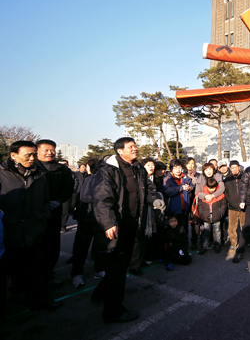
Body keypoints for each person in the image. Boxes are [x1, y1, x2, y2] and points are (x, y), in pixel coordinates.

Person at [91, 137, 162, 323]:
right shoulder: (107, 171)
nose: (136, 148)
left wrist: (154, 200)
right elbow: (101, 198)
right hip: (114, 227)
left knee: (119, 267)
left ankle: (99, 294)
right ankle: (113, 311)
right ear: (120, 151)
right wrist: (108, 223)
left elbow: (148, 189)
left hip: (132, 225)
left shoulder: (138, 169)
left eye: (135, 145)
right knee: (116, 269)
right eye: (131, 146)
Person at [0, 141, 61, 314]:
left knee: (36, 269)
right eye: (28, 155)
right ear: (14, 155)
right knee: (10, 270)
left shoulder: (39, 175)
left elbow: (44, 201)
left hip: (34, 230)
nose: (32, 158)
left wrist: (43, 221)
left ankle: (39, 300)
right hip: (9, 232)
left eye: (34, 154)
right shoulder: (2, 175)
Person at [35, 139, 74, 283]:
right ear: (37, 151)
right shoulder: (32, 167)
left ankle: (48, 273)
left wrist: (57, 201)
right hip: (34, 213)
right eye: (46, 150)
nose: (50, 153)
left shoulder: (62, 169)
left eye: (52, 150)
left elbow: (68, 187)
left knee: (52, 245)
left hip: (54, 211)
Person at [71, 158, 106, 288]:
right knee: (82, 247)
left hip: (101, 219)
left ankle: (99, 270)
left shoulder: (108, 179)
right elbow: (84, 197)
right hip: (87, 218)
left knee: (100, 247)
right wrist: (102, 198)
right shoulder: (90, 179)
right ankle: (76, 274)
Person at [197, 177, 226, 255]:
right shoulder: (203, 194)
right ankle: (204, 246)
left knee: (217, 232)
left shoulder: (220, 195)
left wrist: (221, 213)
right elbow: (200, 206)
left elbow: (223, 205)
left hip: (217, 216)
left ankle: (217, 245)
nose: (211, 190)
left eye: (213, 188)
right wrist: (202, 214)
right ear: (206, 187)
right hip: (206, 216)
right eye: (210, 188)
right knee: (205, 232)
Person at [224, 160, 245, 258]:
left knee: (244, 226)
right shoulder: (227, 180)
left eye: (236, 167)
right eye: (232, 168)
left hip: (244, 206)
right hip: (232, 207)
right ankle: (233, 244)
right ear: (230, 169)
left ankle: (245, 243)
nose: (234, 169)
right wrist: (229, 201)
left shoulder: (244, 178)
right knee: (232, 227)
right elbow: (226, 193)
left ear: (239, 167)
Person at [184, 157, 202, 250]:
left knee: (194, 222)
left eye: (192, 163)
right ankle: (184, 241)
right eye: (189, 163)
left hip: (195, 202)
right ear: (185, 164)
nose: (191, 165)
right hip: (185, 201)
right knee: (184, 223)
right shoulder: (183, 175)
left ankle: (194, 241)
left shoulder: (198, 175)